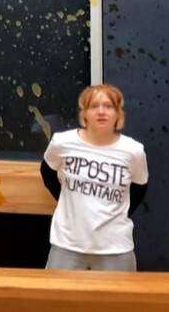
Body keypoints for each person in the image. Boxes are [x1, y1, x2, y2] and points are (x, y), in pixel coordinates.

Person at [41, 84, 148, 271]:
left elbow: (139, 189)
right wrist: (69, 202)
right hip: (67, 245)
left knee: (119, 292)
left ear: (118, 113)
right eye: (94, 106)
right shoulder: (62, 142)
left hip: (115, 248)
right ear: (84, 113)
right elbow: (47, 173)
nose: (101, 111)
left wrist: (115, 213)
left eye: (108, 106)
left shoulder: (134, 151)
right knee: (57, 291)